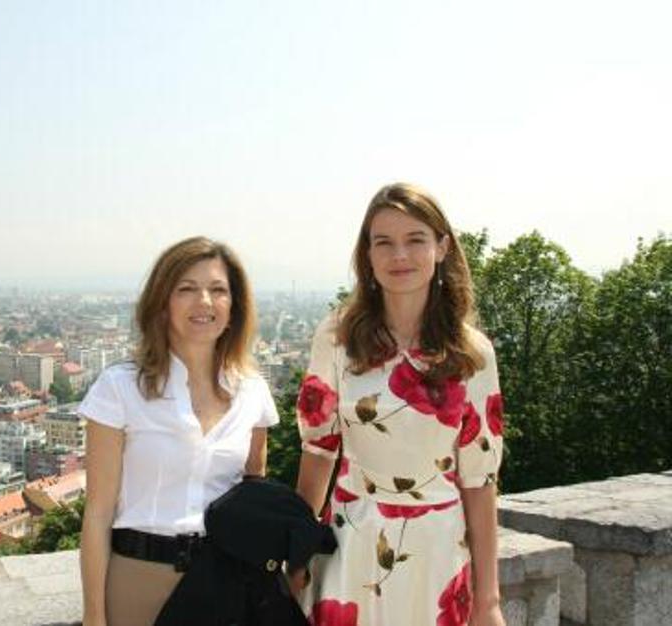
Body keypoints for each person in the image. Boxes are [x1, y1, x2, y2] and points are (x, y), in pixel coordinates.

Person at [294, 183, 506, 626]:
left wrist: (488, 600)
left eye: (415, 240)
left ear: (441, 248)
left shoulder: (472, 354)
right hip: (349, 545)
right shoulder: (336, 338)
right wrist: (295, 558)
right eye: (384, 242)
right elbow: (318, 451)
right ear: (367, 255)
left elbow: (479, 479)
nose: (399, 255)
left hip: (438, 554)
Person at [79, 236, 280, 626]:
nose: (204, 301)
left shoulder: (252, 391)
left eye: (218, 290)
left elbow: (252, 498)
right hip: (138, 579)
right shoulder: (120, 388)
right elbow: (98, 514)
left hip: (225, 582)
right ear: (162, 303)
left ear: (234, 307)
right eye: (186, 289)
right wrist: (94, 616)